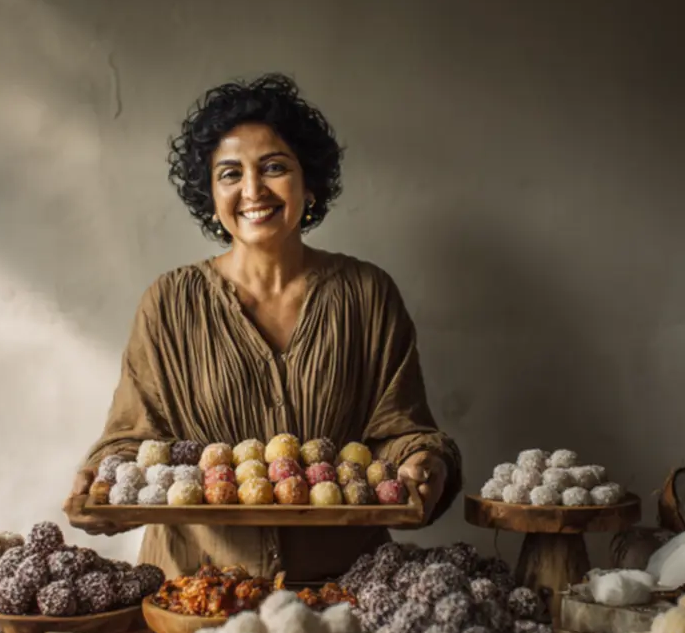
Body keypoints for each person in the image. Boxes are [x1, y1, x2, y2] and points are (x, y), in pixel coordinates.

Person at [68, 73, 461, 582]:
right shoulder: (169, 303)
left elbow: (400, 432)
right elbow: (135, 440)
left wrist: (424, 462)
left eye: (274, 167)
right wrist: (102, 482)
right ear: (210, 195)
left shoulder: (367, 294)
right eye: (230, 173)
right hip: (194, 589)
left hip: (343, 590)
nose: (253, 189)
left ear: (309, 182)